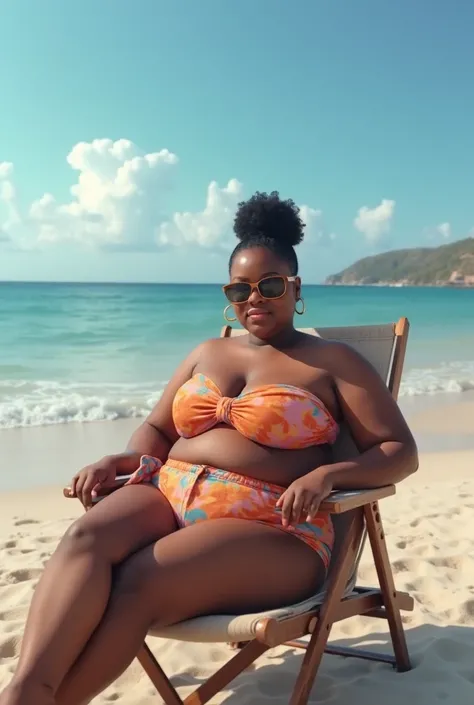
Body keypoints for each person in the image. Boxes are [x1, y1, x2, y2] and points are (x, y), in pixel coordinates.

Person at [0, 191, 418, 705]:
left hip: (272, 526)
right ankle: (24, 692)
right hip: (168, 492)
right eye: (240, 288)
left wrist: (328, 476)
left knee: (138, 580)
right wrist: (125, 459)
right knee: (86, 538)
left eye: (269, 285)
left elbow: (400, 451)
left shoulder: (334, 362)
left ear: (296, 287)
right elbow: (156, 430)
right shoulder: (207, 350)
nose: (254, 299)